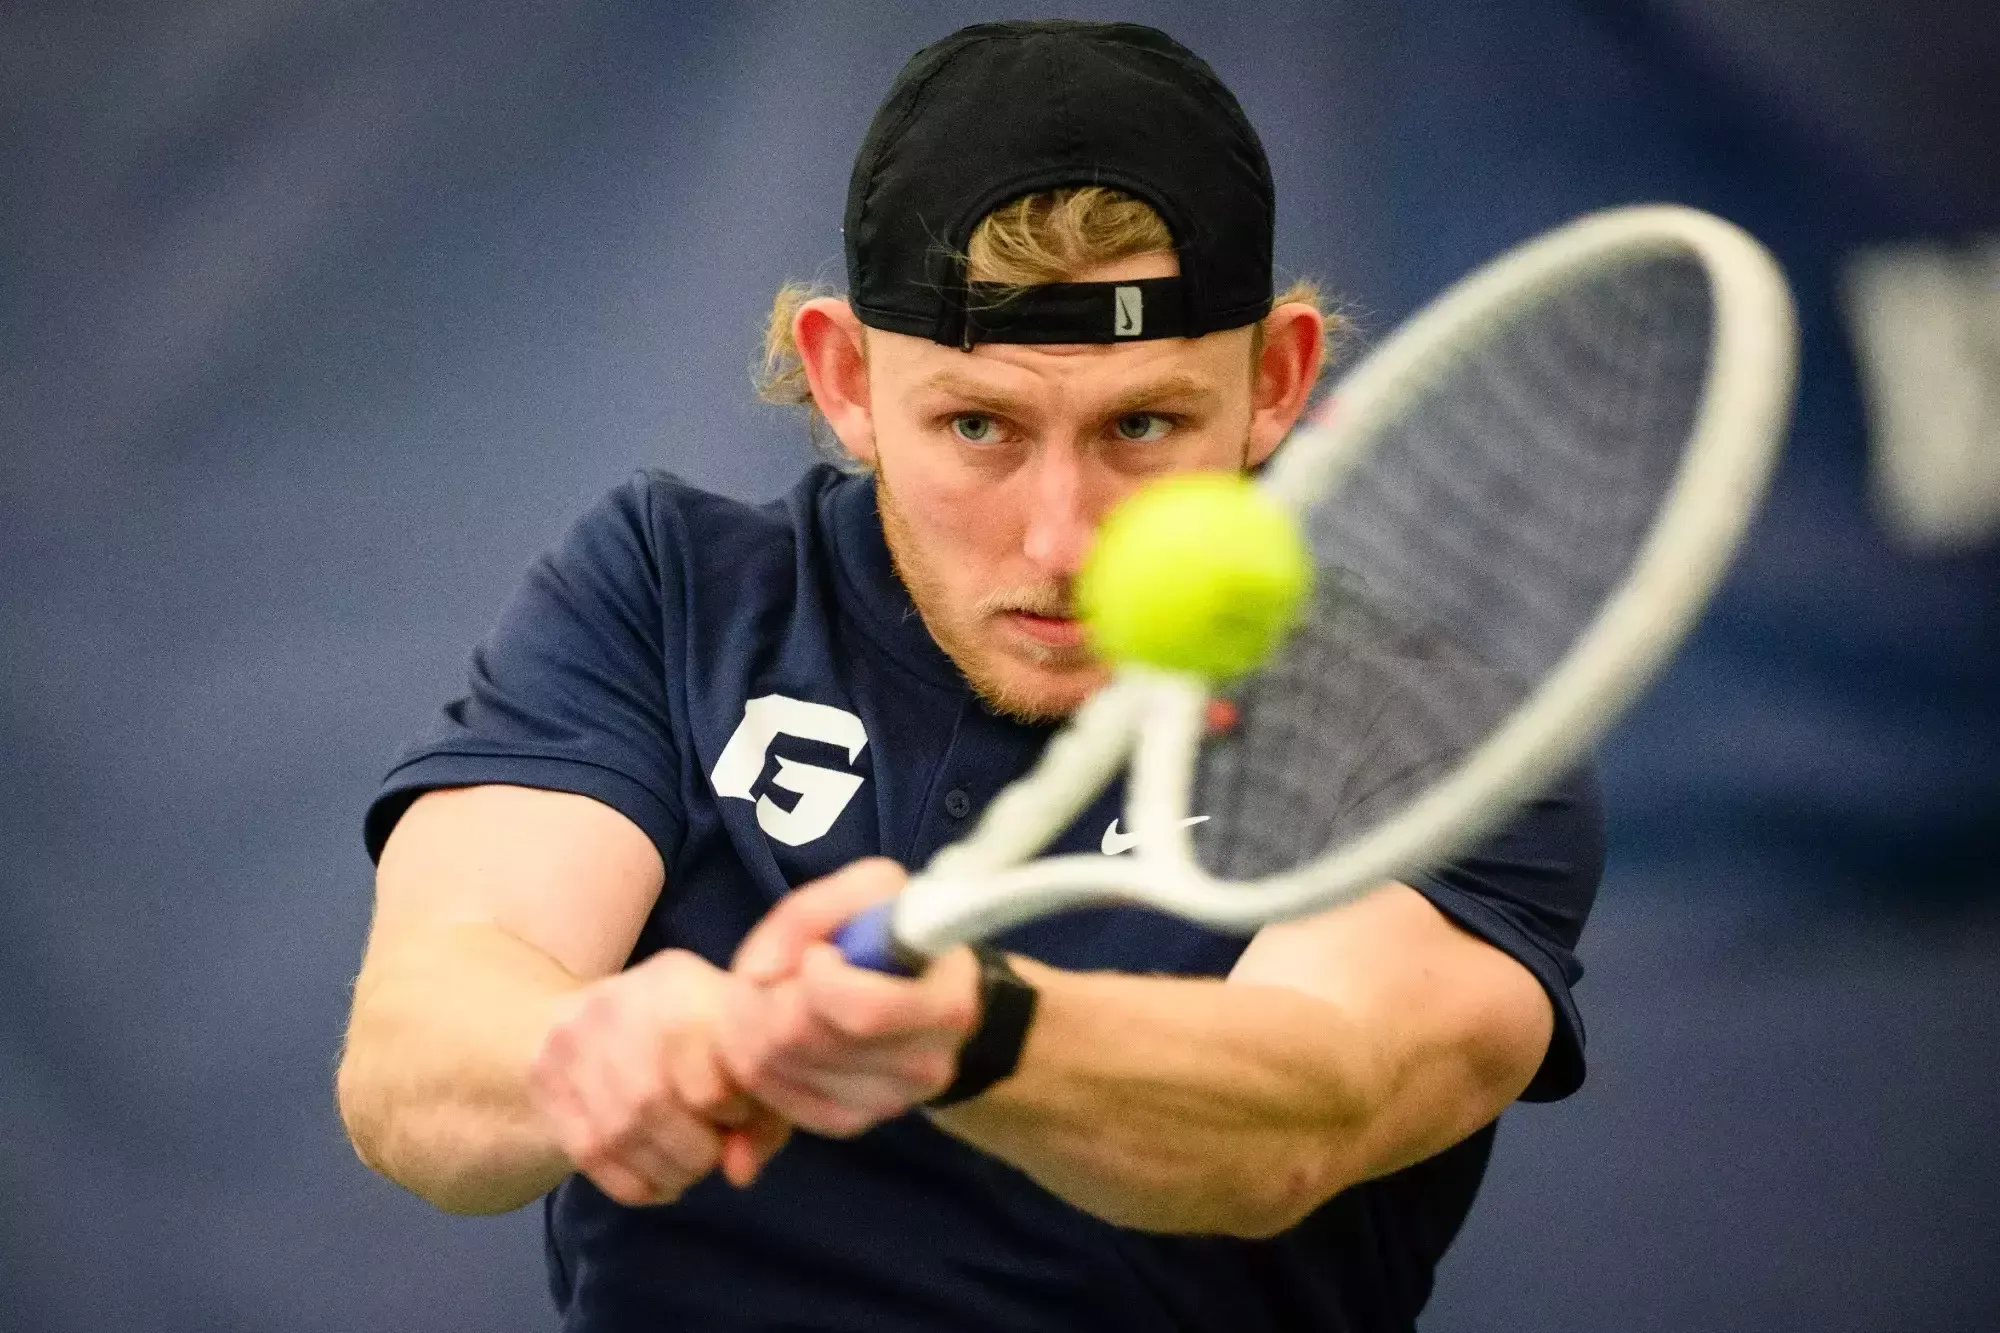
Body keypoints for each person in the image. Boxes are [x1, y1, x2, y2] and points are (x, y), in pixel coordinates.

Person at [337, 19, 1601, 1332]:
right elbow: (417, 1047)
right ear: (846, 379)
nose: (1060, 541)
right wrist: (579, 1053)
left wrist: (979, 1032)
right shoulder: (667, 592)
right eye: (978, 426)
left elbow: (1312, 1104)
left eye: (1143, 425)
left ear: (1274, 381)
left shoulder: (1429, 733)